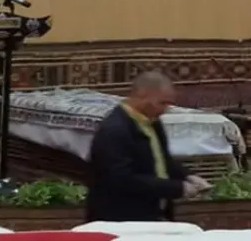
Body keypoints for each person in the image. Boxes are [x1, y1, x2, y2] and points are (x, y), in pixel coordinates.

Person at [85, 71, 211, 222]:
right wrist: (176, 188)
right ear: (142, 95)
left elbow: (161, 159)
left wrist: (188, 176)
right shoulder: (114, 130)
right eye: (162, 103)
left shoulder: (152, 123)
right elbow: (121, 180)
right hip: (121, 217)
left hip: (154, 213)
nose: (165, 109)